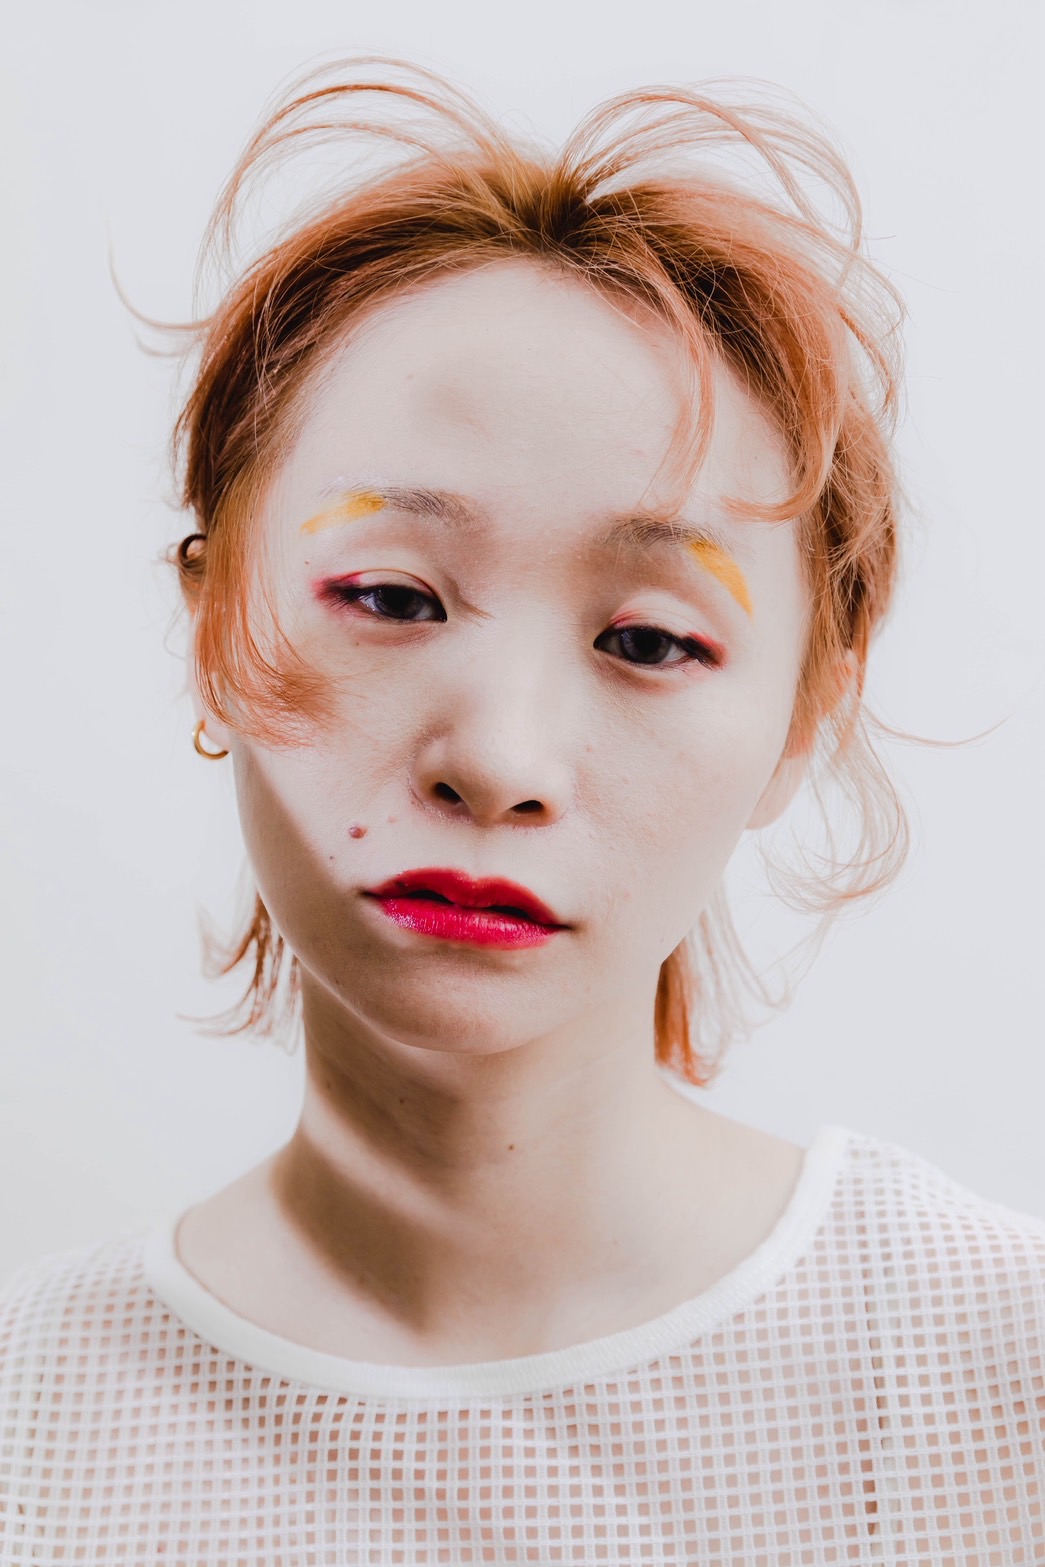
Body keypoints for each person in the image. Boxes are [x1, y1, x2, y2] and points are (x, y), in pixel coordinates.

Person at [2, 55, 1042, 1566]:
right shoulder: (31, 1432)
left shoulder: (996, 1377)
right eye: (389, 597)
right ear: (214, 628)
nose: (496, 760)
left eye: (651, 641)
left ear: (801, 725)